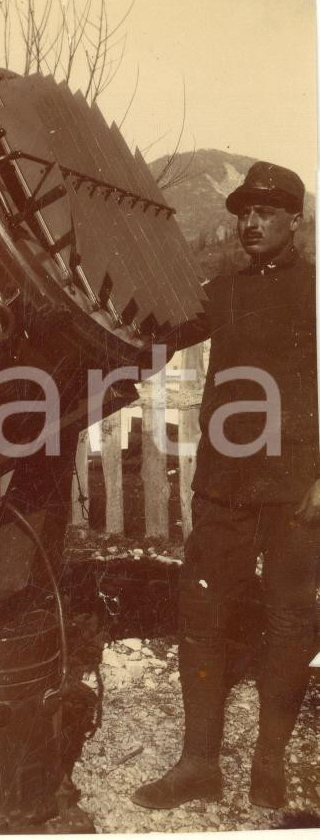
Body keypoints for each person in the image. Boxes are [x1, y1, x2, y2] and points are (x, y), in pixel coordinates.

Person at [131, 161, 319, 811]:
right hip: (224, 478)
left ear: (295, 219)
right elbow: (159, 329)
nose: (250, 222)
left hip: (295, 487)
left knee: (292, 619)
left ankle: (268, 764)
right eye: (243, 211)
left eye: (265, 212)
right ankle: (197, 764)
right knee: (202, 612)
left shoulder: (314, 291)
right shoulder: (224, 287)